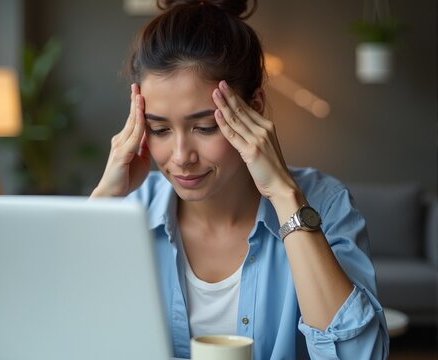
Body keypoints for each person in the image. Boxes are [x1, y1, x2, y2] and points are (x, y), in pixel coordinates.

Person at [91, 0, 389, 358]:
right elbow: (59, 334)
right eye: (159, 129)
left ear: (256, 108)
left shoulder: (324, 203)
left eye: (204, 127)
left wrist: (283, 194)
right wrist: (104, 199)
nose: (181, 156)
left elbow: (362, 354)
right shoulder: (128, 211)